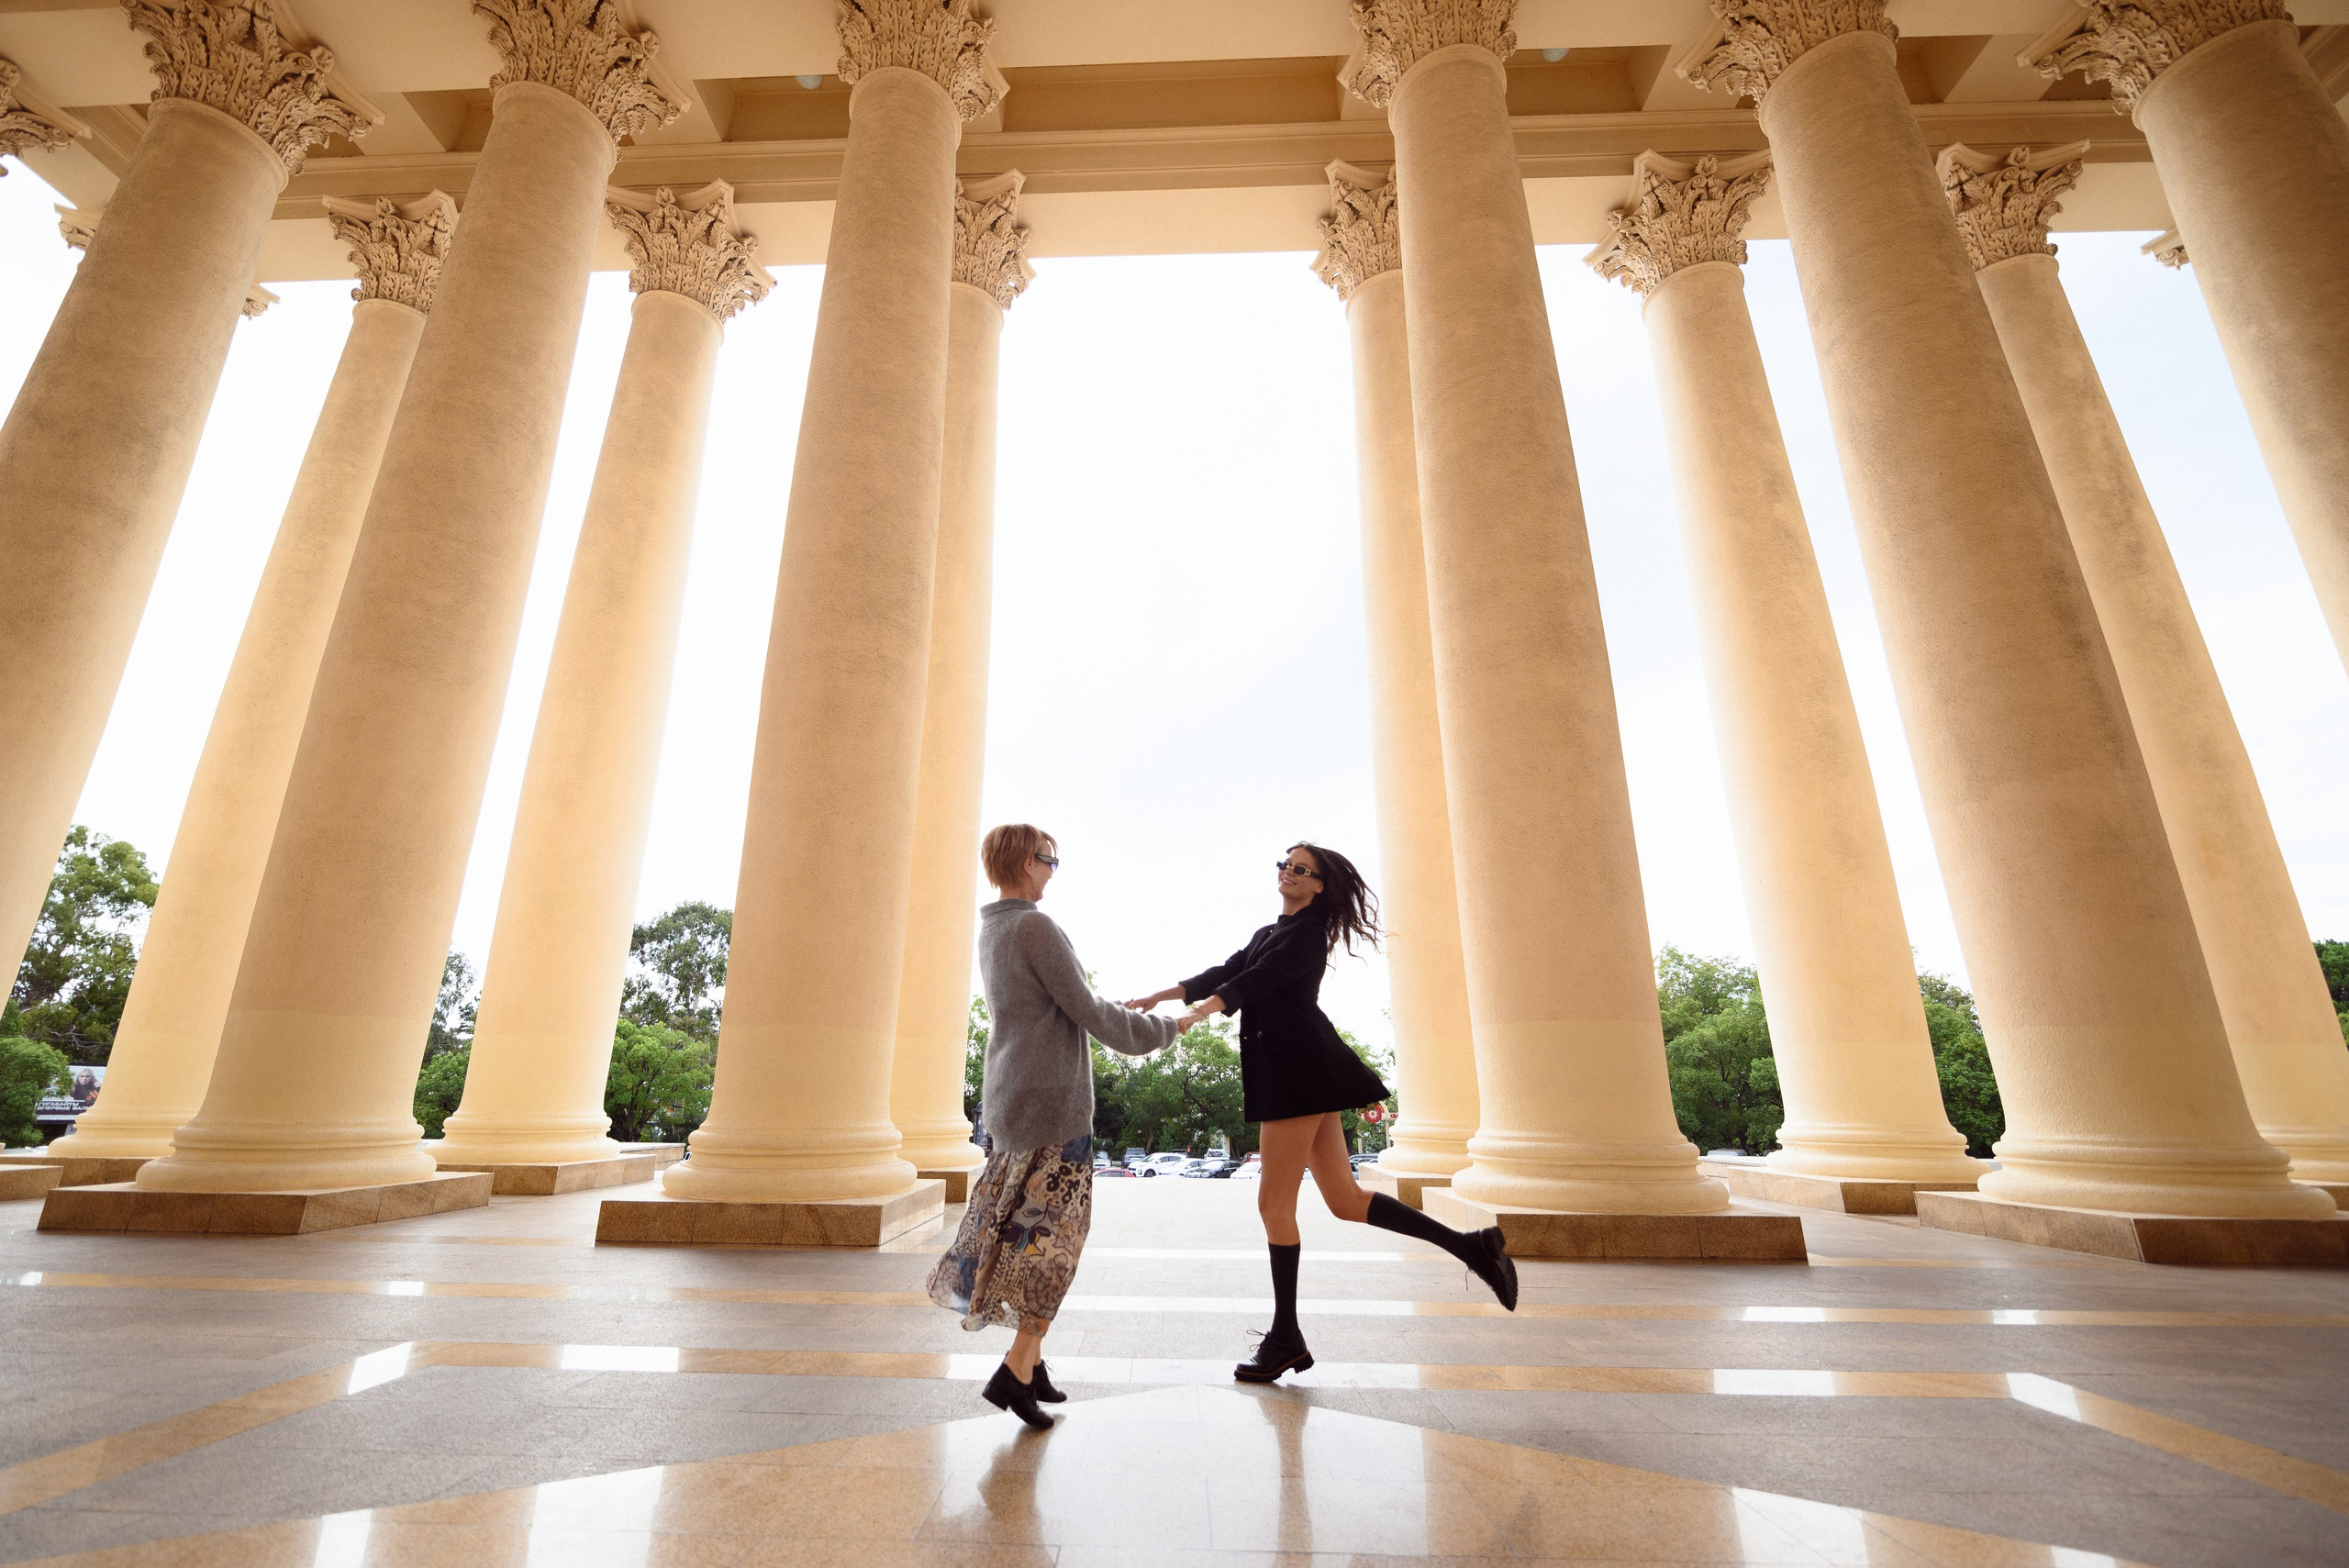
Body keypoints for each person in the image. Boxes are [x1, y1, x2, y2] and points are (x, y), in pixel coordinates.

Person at [1128, 841, 1516, 1384]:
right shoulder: (1270, 932)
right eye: (1284, 863)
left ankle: (1285, 1336)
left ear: (1319, 886)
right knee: (1345, 1200)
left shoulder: (1309, 934)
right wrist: (1161, 996)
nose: (1288, 872)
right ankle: (1472, 1247)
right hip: (1302, 1066)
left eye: (1301, 869)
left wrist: (1196, 1016)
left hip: (1297, 1069)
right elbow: (1231, 968)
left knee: (1273, 1205)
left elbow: (1253, 983)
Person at [927, 822, 1181, 1429]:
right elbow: (1088, 1010)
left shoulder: (993, 927)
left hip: (1011, 1097)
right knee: (1053, 1244)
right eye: (1050, 860)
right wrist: (1168, 1029)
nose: (1052, 871)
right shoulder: (1035, 926)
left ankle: (1033, 1361)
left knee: (1022, 1230)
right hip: (1051, 1105)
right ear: (1024, 862)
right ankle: (1014, 1372)